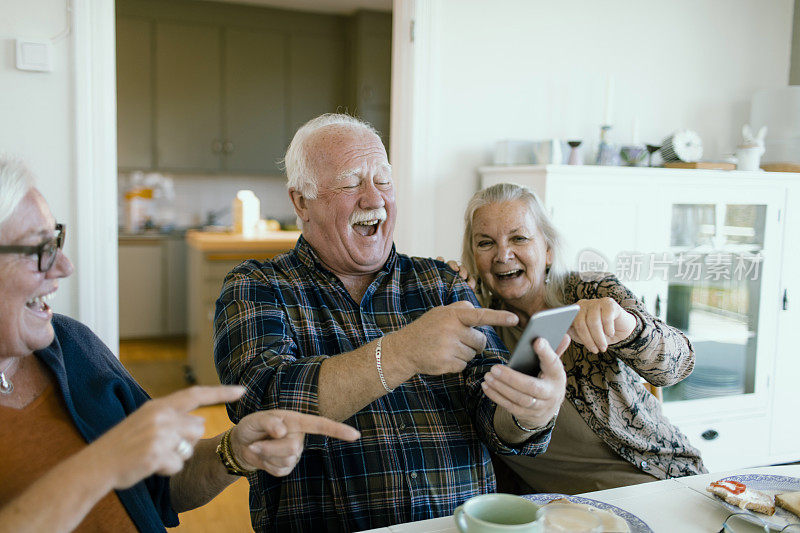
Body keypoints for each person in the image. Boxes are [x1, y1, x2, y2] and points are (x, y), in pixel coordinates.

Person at [213, 114, 569, 532]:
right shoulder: (256, 286)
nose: (373, 199)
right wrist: (401, 352)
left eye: (383, 180)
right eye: (350, 183)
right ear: (301, 203)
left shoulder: (443, 283)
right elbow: (262, 403)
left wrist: (531, 410)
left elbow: (494, 416)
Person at [0, 157, 360, 533]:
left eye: (55, 240)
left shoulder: (73, 345)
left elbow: (161, 487)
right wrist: (102, 464)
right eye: (36, 249)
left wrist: (234, 451)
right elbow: (115, 462)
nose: (64, 266)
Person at [454, 181, 706, 494]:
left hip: (659, 480)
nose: (503, 255)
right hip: (569, 513)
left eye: (519, 238)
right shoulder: (476, 323)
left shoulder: (591, 290)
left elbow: (678, 365)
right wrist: (447, 280)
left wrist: (626, 326)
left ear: (547, 250)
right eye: (485, 243)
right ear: (473, 256)